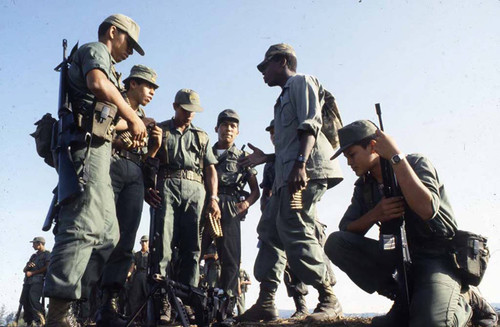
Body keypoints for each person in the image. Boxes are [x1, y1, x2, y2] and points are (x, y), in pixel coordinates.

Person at [325, 120, 498, 327]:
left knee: (430, 323)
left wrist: (396, 158)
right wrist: (375, 214)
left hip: (436, 258)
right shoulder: (365, 185)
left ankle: (465, 299)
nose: (349, 163)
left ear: (373, 146)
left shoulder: (415, 163)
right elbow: (347, 229)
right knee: (336, 242)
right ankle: (403, 299)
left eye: (352, 155)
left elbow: (427, 210)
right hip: (398, 257)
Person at [44, 14, 148, 327]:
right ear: (113, 32)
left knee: (109, 234)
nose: (130, 51)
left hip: (100, 152)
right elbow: (96, 84)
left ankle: (77, 304)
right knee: (83, 225)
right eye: (129, 43)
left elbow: (99, 117)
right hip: (85, 151)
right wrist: (132, 116)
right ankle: (59, 313)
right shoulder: (95, 50)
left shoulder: (111, 68)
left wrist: (126, 132)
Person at [237, 43, 343, 323]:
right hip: (288, 172)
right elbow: (290, 141)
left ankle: (328, 298)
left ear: (283, 61)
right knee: (270, 229)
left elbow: (311, 124)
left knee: (294, 226)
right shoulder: (283, 97)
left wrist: (300, 165)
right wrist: (267, 158)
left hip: (305, 172)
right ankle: (267, 301)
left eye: (266, 65)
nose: (262, 72)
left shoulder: (302, 82)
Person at [96, 64, 161, 324]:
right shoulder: (114, 99)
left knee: (126, 240)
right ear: (132, 84)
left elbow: (145, 156)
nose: (152, 92)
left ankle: (108, 306)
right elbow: (99, 123)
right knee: (101, 234)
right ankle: (75, 301)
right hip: (110, 166)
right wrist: (132, 124)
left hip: (135, 172)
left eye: (155, 89)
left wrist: (154, 147)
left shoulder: (144, 116)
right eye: (148, 86)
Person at [259, 119, 338, 319]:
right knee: (271, 237)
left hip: (302, 208)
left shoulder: (300, 149)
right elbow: (266, 191)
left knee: (301, 239)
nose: (275, 135)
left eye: (278, 131)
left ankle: (328, 297)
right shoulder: (273, 162)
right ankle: (271, 302)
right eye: (271, 133)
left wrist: (300, 163)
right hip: (280, 205)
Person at [144, 88, 221, 288]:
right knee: (162, 245)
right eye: (185, 109)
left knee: (193, 247)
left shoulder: (202, 136)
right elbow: (147, 160)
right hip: (167, 187)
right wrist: (148, 186)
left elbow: (210, 169)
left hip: (196, 190)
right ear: (175, 107)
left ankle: (190, 298)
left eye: (193, 110)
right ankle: (161, 297)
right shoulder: (160, 130)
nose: (189, 114)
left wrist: (213, 198)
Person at [203, 109, 260, 316]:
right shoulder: (205, 152)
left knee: (230, 258)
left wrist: (245, 205)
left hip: (229, 205)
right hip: (205, 202)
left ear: (237, 132)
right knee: (193, 251)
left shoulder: (243, 157)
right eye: (225, 125)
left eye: (233, 126)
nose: (228, 129)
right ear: (216, 128)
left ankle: (225, 308)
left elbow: (256, 191)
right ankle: (187, 300)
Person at [21, 237, 50, 326]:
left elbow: (47, 267)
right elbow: (24, 270)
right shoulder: (34, 256)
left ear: (40, 244)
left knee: (34, 300)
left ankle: (40, 321)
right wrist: (28, 267)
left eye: (34, 244)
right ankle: (29, 322)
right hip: (28, 281)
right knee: (24, 301)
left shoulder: (47, 254)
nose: (33, 246)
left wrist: (33, 273)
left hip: (38, 281)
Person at [127, 235, 150, 323]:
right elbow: (132, 267)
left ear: (148, 242)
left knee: (148, 297)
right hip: (138, 276)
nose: (144, 243)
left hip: (148, 276)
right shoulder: (136, 254)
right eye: (142, 241)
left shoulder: (151, 254)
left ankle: (147, 317)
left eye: (145, 241)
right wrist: (127, 275)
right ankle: (136, 319)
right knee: (135, 298)